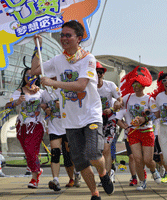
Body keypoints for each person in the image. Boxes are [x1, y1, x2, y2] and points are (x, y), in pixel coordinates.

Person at [31, 20, 114, 200]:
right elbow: (34, 71)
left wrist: (53, 82)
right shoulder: (58, 60)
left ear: (79, 38)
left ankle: (104, 173)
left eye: (68, 35)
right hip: (70, 120)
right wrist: (38, 49)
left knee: (93, 152)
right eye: (62, 35)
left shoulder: (88, 59)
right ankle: (94, 193)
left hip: (90, 115)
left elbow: (81, 85)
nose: (64, 38)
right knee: (80, 161)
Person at [119, 66, 161, 190]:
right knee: (137, 159)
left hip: (147, 131)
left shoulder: (149, 99)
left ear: (143, 86)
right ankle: (142, 182)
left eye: (138, 85)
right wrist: (124, 126)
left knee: (148, 160)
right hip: (133, 132)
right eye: (134, 85)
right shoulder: (127, 98)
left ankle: (153, 170)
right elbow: (118, 114)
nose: (136, 87)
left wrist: (146, 118)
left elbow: (157, 114)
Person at [5, 67, 44, 188]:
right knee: (28, 151)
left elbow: (51, 104)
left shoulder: (41, 92)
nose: (30, 77)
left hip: (36, 125)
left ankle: (34, 177)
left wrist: (45, 106)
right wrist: (16, 102)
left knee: (31, 149)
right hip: (22, 126)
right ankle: (36, 169)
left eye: (33, 75)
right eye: (27, 75)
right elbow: (7, 105)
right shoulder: (19, 91)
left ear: (37, 77)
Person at [41, 81, 81, 191]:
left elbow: (77, 105)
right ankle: (55, 180)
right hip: (54, 126)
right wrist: (46, 109)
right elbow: (44, 106)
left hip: (68, 125)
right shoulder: (46, 93)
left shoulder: (67, 89)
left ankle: (76, 174)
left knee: (70, 153)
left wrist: (64, 106)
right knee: (55, 153)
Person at [96, 62, 122, 185]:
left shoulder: (110, 85)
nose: (98, 75)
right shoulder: (88, 87)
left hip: (109, 120)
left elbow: (119, 101)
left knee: (106, 149)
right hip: (95, 121)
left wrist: (112, 109)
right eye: (95, 72)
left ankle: (106, 176)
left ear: (103, 74)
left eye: (100, 72)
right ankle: (107, 172)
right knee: (98, 151)